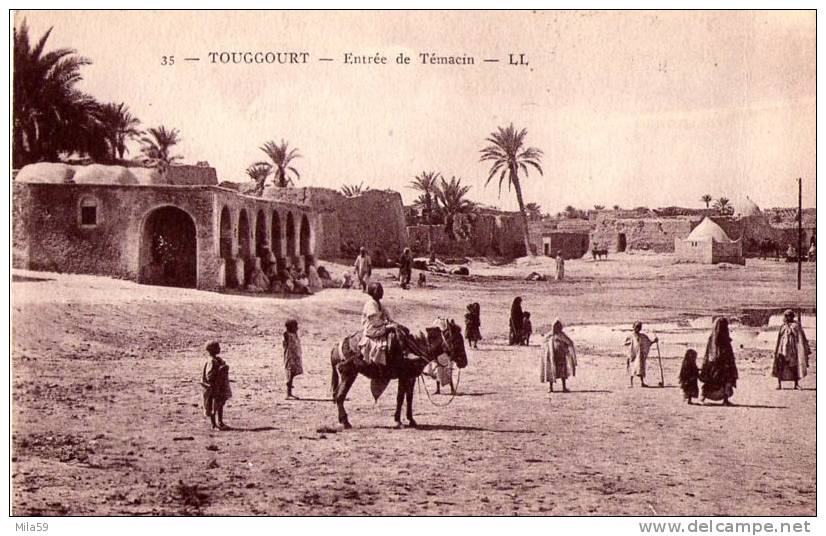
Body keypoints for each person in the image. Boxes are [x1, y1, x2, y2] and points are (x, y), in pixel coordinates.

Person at [699, 317, 738, 405]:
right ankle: (725, 400)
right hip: (722, 364)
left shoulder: (712, 338)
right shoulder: (723, 339)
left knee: (714, 380)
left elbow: (708, 352)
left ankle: (704, 397)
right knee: (725, 380)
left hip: (714, 363)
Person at [359, 282, 396, 366]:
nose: (381, 292)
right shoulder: (371, 304)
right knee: (389, 332)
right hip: (372, 328)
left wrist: (391, 321)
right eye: (378, 290)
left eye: (381, 290)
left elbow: (386, 314)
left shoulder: (378, 303)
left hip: (379, 326)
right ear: (372, 292)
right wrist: (386, 324)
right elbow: (375, 321)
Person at [772, 310, 811, 390]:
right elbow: (779, 339)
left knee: (794, 367)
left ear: (792, 316)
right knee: (780, 366)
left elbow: (801, 338)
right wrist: (776, 350)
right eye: (786, 316)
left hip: (792, 350)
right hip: (782, 350)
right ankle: (779, 384)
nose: (787, 317)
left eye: (789, 316)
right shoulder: (783, 326)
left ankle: (796, 384)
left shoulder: (796, 326)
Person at [540, 319, 577, 393]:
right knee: (552, 371)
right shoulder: (549, 336)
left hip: (560, 357)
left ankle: (562, 388)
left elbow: (569, 342)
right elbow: (544, 344)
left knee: (562, 372)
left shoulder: (561, 335)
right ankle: (552, 388)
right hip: (552, 357)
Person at [201, 341, 232, 430]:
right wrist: (220, 370)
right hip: (213, 388)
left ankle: (220, 422)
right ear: (212, 349)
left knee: (219, 404)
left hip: (218, 387)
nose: (219, 349)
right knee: (212, 406)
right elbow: (209, 376)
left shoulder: (217, 359)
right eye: (218, 347)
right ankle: (214, 425)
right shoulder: (211, 361)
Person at [624, 321, 657, 388]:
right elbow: (626, 345)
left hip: (640, 355)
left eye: (639, 327)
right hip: (633, 355)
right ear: (633, 327)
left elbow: (648, 343)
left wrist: (654, 341)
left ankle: (642, 382)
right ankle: (631, 383)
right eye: (636, 327)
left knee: (641, 368)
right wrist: (628, 353)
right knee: (632, 368)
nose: (637, 329)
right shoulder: (630, 336)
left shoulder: (643, 336)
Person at [283, 319, 303, 399]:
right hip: (290, 357)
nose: (297, 328)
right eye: (295, 326)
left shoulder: (295, 335)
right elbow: (285, 337)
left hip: (295, 357)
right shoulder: (287, 335)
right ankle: (288, 394)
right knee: (290, 374)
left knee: (293, 374)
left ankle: (289, 393)